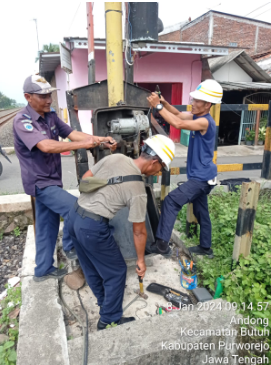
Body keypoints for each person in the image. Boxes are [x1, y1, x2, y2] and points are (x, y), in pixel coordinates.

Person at [13, 75, 117, 282]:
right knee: (77, 210)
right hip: (40, 183)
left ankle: (42, 270)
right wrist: (82, 145)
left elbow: (71, 133)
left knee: (46, 227)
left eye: (49, 94)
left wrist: (98, 140)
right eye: (42, 96)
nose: (49, 99)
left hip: (53, 180)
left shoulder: (50, 116)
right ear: (28, 97)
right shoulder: (22, 121)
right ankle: (71, 249)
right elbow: (46, 146)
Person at [67, 135, 175, 330]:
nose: (158, 173)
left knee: (91, 267)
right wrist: (141, 261)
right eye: (161, 168)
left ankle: (105, 305)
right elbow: (139, 232)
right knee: (117, 272)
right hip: (92, 227)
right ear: (155, 162)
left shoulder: (115, 158)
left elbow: (86, 179)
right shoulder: (138, 189)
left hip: (74, 216)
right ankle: (109, 320)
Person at [146, 79, 223, 259]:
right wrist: (163, 103)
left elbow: (177, 124)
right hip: (202, 176)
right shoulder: (198, 116)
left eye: (197, 101)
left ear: (208, 104)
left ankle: (162, 244)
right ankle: (206, 247)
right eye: (194, 99)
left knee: (172, 201)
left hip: (201, 178)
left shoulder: (205, 122)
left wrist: (157, 107)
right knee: (200, 210)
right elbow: (178, 115)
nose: (193, 103)